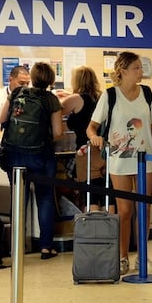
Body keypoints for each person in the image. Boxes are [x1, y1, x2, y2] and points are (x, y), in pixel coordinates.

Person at [87, 52, 152, 275]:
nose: (141, 72)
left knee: (145, 208)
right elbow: (92, 126)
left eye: (141, 67)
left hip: (145, 159)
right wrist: (94, 136)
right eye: (137, 68)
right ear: (123, 70)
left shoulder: (147, 93)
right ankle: (122, 256)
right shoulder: (110, 96)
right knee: (125, 210)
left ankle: (142, 256)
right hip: (119, 160)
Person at [0, 62, 64, 260]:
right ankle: (46, 247)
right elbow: (58, 132)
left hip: (13, 154)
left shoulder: (17, 93)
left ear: (32, 77)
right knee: (45, 199)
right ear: (51, 80)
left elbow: (2, 120)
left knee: (19, 199)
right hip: (41, 156)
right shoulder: (51, 99)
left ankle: (16, 247)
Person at [62, 66, 106, 211]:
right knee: (103, 193)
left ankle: (92, 229)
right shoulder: (100, 98)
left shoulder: (76, 99)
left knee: (89, 194)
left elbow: (56, 110)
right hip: (102, 150)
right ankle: (108, 229)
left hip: (84, 152)